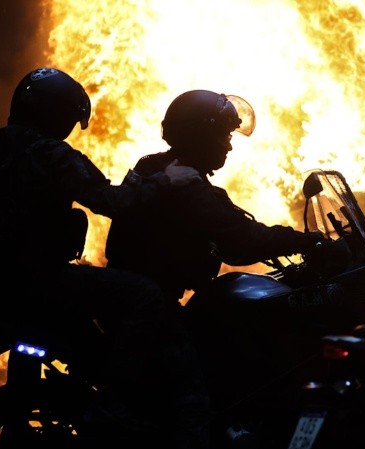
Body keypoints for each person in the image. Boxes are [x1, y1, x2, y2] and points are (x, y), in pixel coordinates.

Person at [0, 67, 208, 449]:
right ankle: (117, 406)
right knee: (144, 294)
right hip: (39, 282)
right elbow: (114, 202)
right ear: (56, 114)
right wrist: (167, 180)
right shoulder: (48, 154)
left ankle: (31, 416)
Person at [104, 89, 324, 303]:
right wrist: (308, 241)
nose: (228, 146)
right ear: (201, 136)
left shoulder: (155, 167)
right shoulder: (184, 185)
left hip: (131, 295)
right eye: (224, 135)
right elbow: (243, 238)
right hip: (147, 307)